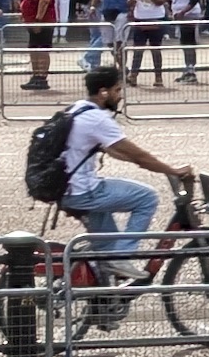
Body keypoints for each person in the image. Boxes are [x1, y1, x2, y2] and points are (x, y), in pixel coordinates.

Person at [52, 61, 187, 271]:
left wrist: (142, 162)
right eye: (118, 90)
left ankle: (103, 292)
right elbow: (138, 154)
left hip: (66, 188)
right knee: (146, 197)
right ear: (103, 92)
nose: (121, 95)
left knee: (107, 246)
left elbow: (115, 151)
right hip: (83, 191)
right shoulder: (97, 119)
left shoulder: (78, 108)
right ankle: (122, 257)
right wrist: (173, 170)